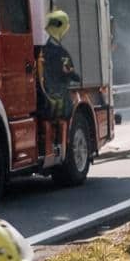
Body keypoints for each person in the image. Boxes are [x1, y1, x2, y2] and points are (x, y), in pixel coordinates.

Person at [38, 10, 81, 160]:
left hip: (42, 99)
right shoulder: (62, 53)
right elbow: (72, 74)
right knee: (69, 112)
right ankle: (64, 148)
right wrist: (76, 76)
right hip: (59, 100)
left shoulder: (40, 51)